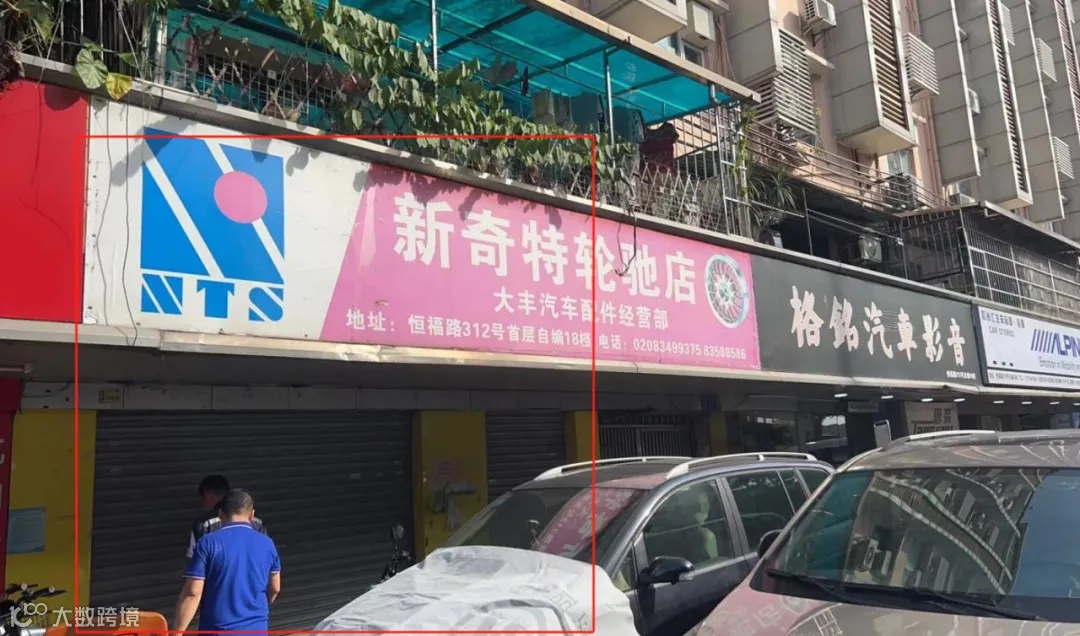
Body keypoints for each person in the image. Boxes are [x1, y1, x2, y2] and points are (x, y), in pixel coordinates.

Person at [173, 489, 282, 635]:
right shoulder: (268, 544)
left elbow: (193, 593)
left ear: (220, 513)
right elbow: (275, 588)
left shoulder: (208, 543)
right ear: (251, 515)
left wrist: (177, 632)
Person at [189, 474, 266, 558]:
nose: (201, 504)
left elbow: (193, 558)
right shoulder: (256, 521)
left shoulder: (203, 523)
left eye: (202, 499)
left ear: (209, 497)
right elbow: (266, 554)